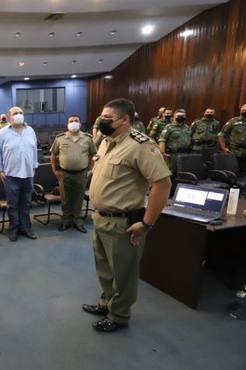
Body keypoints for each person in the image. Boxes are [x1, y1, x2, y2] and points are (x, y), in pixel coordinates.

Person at [83, 98, 171, 332]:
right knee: (104, 268)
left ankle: (120, 315)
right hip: (100, 217)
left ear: (125, 120)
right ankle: (107, 303)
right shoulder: (105, 141)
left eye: (108, 119)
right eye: (102, 117)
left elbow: (162, 184)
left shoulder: (141, 145)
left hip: (123, 222)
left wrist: (147, 223)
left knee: (123, 272)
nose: (102, 122)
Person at [0, 106, 39, 242]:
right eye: (15, 113)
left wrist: (34, 166)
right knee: (12, 205)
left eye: (20, 113)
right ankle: (13, 229)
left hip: (28, 174)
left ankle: (25, 228)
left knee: (26, 203)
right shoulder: (1, 133)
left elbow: (34, 149)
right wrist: (0, 170)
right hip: (11, 175)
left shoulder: (30, 131)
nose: (18, 115)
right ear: (9, 117)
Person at [50, 114, 97, 233]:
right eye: (71, 121)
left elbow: (93, 155)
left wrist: (90, 170)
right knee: (65, 199)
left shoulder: (87, 138)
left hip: (82, 174)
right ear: (67, 124)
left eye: (76, 121)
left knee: (79, 198)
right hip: (64, 174)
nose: (74, 123)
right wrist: (54, 170)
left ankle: (77, 221)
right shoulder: (60, 138)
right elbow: (53, 154)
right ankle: (66, 221)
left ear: (80, 124)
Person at [218, 103, 246, 171]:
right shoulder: (233, 121)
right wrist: (223, 148)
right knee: (233, 171)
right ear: (240, 111)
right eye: (244, 110)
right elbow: (221, 134)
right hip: (236, 152)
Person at [158, 109, 191, 178]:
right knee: (169, 175)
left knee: (182, 174)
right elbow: (162, 140)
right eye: (178, 116)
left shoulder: (187, 127)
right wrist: (163, 153)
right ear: (174, 117)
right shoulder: (169, 127)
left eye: (183, 116)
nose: (180, 117)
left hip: (184, 154)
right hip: (172, 155)